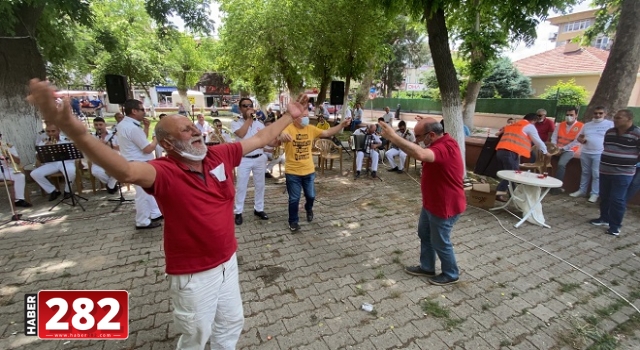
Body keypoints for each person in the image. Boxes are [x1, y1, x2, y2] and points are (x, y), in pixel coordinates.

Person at [28, 79, 308, 350]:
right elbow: (125, 170)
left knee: (231, 324)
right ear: (169, 144)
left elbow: (260, 137)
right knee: (196, 336)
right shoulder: (163, 171)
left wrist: (288, 115)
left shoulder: (217, 155)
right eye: (186, 130)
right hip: (193, 274)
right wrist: (76, 133)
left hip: (228, 261)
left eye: (192, 127)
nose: (196, 131)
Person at [380, 118, 465, 286]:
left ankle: (451, 273)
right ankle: (427, 267)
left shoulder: (445, 146)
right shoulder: (439, 143)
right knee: (424, 234)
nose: (416, 140)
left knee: (440, 241)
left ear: (431, 135)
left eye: (418, 136)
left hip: (444, 206)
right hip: (431, 204)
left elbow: (420, 154)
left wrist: (393, 137)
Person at [278, 113, 351, 231]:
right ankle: (293, 222)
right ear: (295, 118)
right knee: (294, 199)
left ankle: (308, 208)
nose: (306, 118)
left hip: (308, 171)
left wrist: (341, 125)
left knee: (311, 196)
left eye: (306, 115)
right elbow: (280, 136)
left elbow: (327, 132)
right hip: (293, 172)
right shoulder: (289, 128)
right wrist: (282, 136)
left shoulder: (310, 129)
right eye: (303, 116)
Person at [589, 109, 640, 236]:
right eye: (615, 117)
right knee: (604, 196)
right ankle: (604, 218)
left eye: (619, 118)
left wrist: (630, 162)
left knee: (617, 199)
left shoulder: (637, 133)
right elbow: (607, 147)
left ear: (629, 119)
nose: (615, 120)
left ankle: (615, 226)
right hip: (605, 170)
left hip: (623, 173)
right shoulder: (610, 132)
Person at [118, 99, 163, 229]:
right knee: (142, 194)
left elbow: (139, 141)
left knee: (148, 190)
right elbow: (147, 148)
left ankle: (155, 213)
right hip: (139, 163)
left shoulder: (125, 124)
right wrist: (156, 139)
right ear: (134, 111)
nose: (144, 112)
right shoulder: (132, 127)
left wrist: (147, 127)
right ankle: (142, 221)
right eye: (142, 109)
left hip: (134, 161)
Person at [494, 113, 550, 202]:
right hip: (510, 153)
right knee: (511, 175)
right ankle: (500, 193)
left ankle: (512, 194)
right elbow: (538, 141)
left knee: (512, 173)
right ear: (533, 121)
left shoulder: (513, 125)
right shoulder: (529, 126)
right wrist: (545, 152)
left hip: (501, 151)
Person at [231, 98, 269, 225]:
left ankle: (259, 209)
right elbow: (241, 134)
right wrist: (249, 119)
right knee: (241, 186)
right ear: (240, 108)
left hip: (259, 157)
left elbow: (265, 139)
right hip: (244, 159)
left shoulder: (260, 123)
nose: (248, 108)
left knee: (260, 185)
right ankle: (238, 212)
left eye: (250, 105)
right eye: (244, 106)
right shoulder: (236, 122)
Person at [570, 106, 615, 203]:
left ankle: (594, 193)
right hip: (586, 151)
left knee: (596, 174)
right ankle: (582, 191)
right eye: (596, 113)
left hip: (599, 152)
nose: (598, 115)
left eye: (600, 113)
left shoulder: (609, 124)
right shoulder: (587, 125)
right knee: (585, 172)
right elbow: (579, 137)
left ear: (605, 114)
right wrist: (581, 140)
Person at [31, 124, 77, 201]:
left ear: (59, 131)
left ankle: (67, 191)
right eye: (48, 131)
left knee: (71, 172)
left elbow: (74, 152)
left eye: (53, 131)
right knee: (34, 174)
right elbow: (38, 158)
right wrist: (44, 149)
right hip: (51, 164)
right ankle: (53, 191)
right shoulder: (43, 142)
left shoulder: (66, 140)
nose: (51, 133)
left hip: (66, 162)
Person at [549, 107, 583, 193]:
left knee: (561, 164)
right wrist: (555, 147)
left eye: (571, 115)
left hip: (570, 150)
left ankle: (556, 187)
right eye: (567, 115)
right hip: (557, 148)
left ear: (576, 115)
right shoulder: (560, 124)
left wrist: (563, 149)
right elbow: (554, 137)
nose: (569, 116)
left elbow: (576, 142)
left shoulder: (581, 126)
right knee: (545, 158)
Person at [0, 133, 32, 207]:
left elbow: (17, 161)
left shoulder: (9, 146)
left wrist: (8, 154)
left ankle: (19, 200)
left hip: (6, 169)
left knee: (20, 176)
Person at [91, 117, 118, 193]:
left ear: (105, 125)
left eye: (100, 124)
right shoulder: (91, 137)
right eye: (96, 125)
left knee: (119, 170)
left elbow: (121, 148)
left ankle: (110, 186)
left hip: (114, 158)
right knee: (95, 171)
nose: (98, 127)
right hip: (99, 159)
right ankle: (111, 184)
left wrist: (109, 145)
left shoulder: (114, 135)